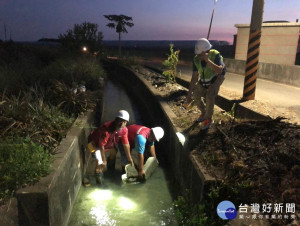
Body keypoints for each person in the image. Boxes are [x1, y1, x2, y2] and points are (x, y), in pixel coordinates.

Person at [184, 38, 226, 130]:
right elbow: (195, 76)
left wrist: (208, 60)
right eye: (197, 54)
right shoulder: (196, 59)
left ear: (206, 52)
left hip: (217, 77)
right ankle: (204, 113)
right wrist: (189, 93)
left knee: (210, 96)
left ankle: (208, 119)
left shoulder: (215, 55)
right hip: (205, 78)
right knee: (196, 95)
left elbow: (219, 70)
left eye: (200, 54)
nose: (198, 56)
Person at [87, 110, 133, 184]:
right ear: (116, 120)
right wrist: (104, 160)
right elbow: (101, 145)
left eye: (124, 122)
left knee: (114, 153)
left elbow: (126, 144)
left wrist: (129, 158)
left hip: (107, 144)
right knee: (100, 163)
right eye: (120, 121)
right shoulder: (106, 130)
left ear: (126, 123)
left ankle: (110, 173)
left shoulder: (124, 130)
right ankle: (99, 183)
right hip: (94, 144)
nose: (122, 123)